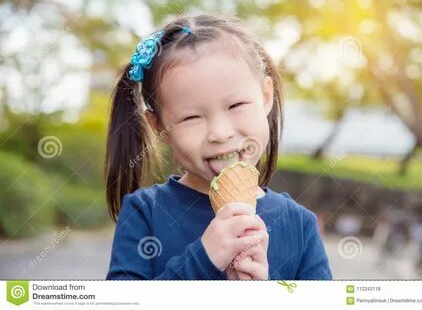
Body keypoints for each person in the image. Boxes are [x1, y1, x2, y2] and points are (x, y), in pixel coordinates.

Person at [105, 14, 332, 280]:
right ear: (158, 127)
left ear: (265, 96)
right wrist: (204, 259)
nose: (220, 133)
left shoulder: (300, 226)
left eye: (236, 106)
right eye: (191, 118)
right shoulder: (145, 214)